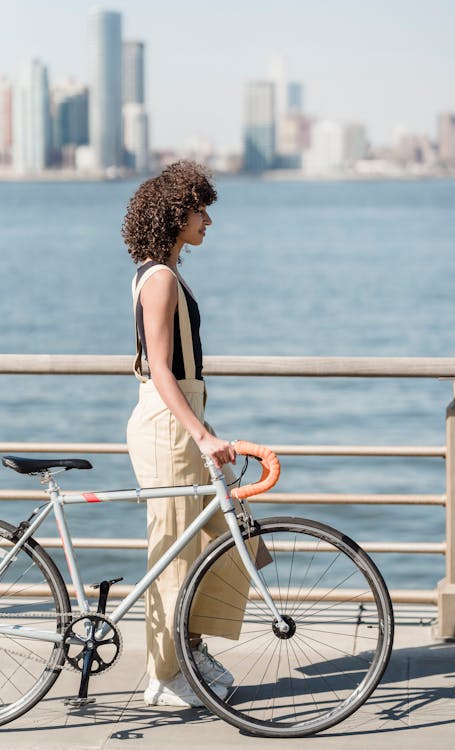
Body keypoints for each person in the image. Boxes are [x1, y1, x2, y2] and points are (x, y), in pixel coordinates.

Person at [122, 161, 239, 708]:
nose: (208, 220)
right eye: (200, 209)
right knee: (173, 550)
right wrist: (200, 434)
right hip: (171, 426)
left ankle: (188, 647)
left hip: (180, 421)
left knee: (225, 533)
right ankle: (166, 676)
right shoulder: (162, 278)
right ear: (176, 213)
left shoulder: (160, 272)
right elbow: (162, 369)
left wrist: (202, 428)